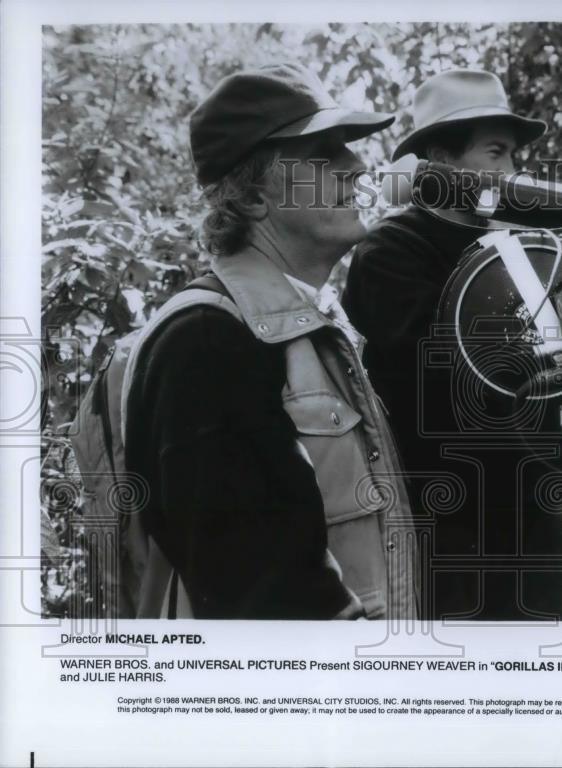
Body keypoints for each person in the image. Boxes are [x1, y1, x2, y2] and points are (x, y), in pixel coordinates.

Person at [124, 62, 420, 620]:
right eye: (324, 155)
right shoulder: (205, 341)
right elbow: (263, 594)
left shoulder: (304, 323)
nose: (357, 167)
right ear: (254, 197)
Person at [344, 69, 562, 621]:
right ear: (440, 161)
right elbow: (450, 367)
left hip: (534, 518)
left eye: (514, 156)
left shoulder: (518, 246)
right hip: (449, 528)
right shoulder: (391, 252)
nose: (511, 172)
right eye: (496, 153)